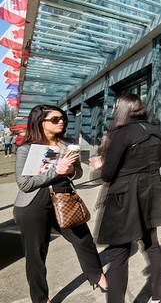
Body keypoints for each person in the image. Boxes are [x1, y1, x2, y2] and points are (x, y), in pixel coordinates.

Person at [13, 105, 108, 303]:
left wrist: (71, 169)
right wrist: (57, 171)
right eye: (55, 119)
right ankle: (40, 299)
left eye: (63, 118)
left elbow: (78, 173)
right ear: (40, 122)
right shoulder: (26, 149)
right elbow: (25, 183)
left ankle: (97, 276)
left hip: (64, 199)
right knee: (36, 255)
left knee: (83, 240)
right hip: (33, 205)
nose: (62, 122)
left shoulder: (67, 144)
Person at [90, 94, 161, 303]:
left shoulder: (121, 133)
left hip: (124, 199)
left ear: (123, 109)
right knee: (152, 244)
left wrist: (98, 167)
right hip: (150, 193)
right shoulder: (156, 132)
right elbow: (156, 163)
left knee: (118, 253)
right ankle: (160, 296)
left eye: (116, 106)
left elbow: (108, 174)